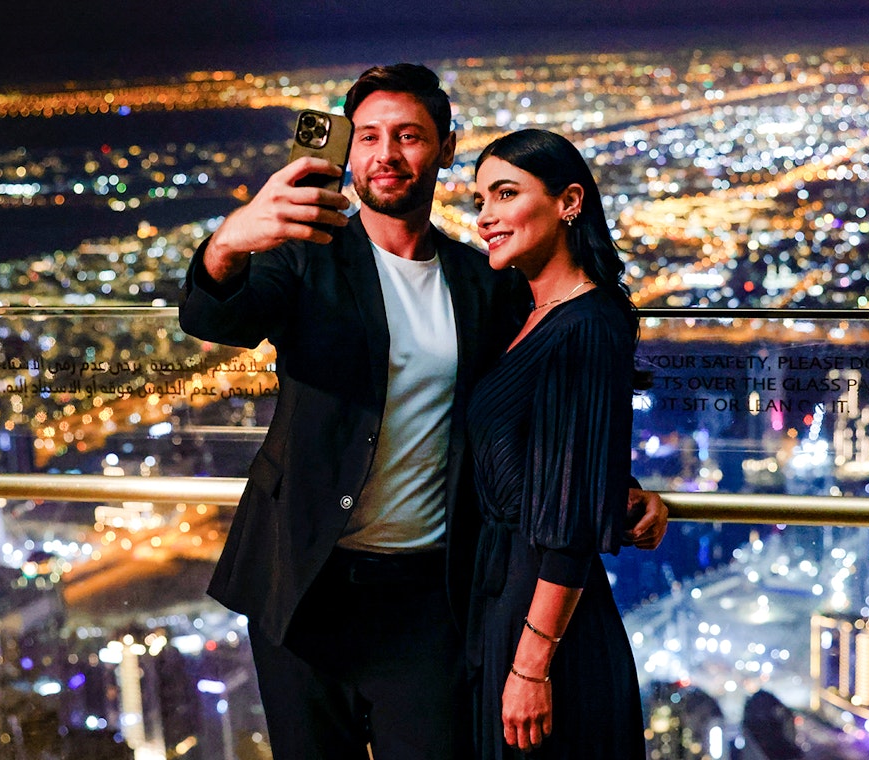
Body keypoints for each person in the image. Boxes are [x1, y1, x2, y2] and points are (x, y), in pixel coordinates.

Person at [178, 64, 666, 760]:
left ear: (443, 147)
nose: (386, 154)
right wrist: (229, 241)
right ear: (347, 151)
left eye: (408, 135)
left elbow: (534, 406)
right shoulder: (305, 259)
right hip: (302, 586)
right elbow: (210, 318)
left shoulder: (483, 280)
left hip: (430, 598)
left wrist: (616, 485)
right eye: (369, 136)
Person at [468, 129, 645, 759]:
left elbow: (567, 527)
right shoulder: (524, 310)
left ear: (569, 202)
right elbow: (553, 450)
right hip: (502, 596)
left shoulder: (590, 325)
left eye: (506, 193)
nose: (486, 216)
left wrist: (531, 665)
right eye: (481, 198)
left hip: (543, 617)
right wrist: (618, 487)